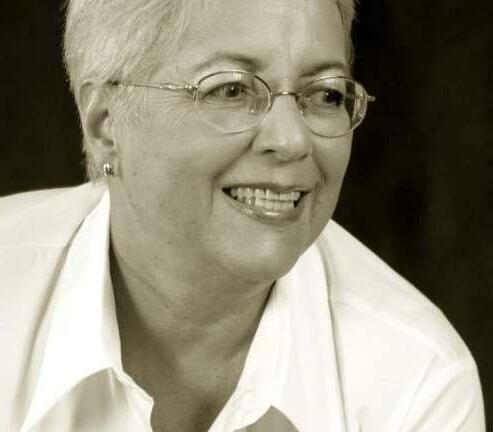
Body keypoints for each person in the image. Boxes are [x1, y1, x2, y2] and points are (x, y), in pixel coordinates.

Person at [0, 0, 485, 430]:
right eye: (231, 90)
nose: (292, 141)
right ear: (106, 124)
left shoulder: (416, 380)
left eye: (325, 94)